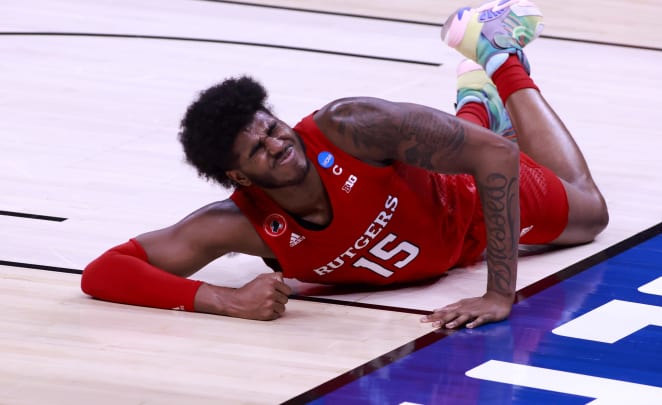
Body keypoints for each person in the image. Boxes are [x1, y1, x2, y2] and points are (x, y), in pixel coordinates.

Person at [81, 0, 608, 329]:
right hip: (438, 246)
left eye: (271, 126)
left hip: (463, 199)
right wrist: (226, 299)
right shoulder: (240, 223)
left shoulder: (351, 125)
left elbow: (496, 154)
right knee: (477, 136)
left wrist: (499, 293)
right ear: (239, 176)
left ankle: (497, 54)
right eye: (256, 149)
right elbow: (104, 273)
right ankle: (474, 99)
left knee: (590, 213)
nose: (276, 143)